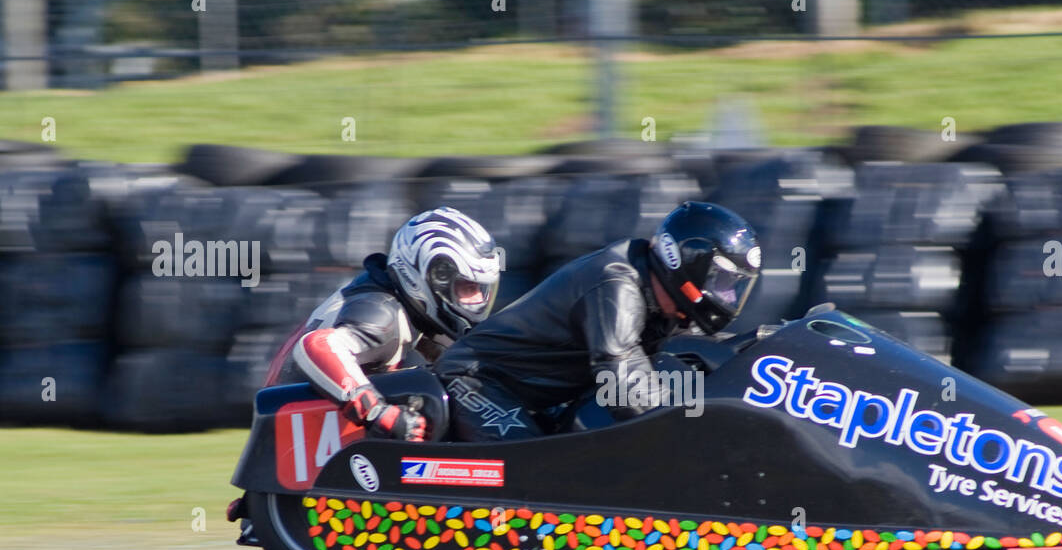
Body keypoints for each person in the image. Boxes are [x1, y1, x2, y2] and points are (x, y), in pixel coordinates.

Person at [435, 200, 761, 441]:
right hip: (477, 381)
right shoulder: (617, 286)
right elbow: (622, 380)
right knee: (533, 473)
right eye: (723, 283)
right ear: (688, 263)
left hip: (539, 397)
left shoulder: (663, 296)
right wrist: (699, 432)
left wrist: (755, 346)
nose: (728, 297)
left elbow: (694, 351)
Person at [266, 206, 501, 441]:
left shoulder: (405, 304)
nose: (477, 300)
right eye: (466, 287)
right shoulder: (381, 314)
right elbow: (317, 345)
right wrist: (376, 411)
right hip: (299, 433)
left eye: (480, 289)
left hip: (309, 422)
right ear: (432, 277)